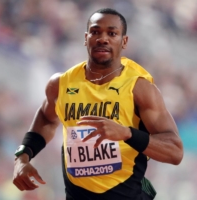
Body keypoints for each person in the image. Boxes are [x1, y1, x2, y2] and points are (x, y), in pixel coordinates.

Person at [13, 8, 183, 200]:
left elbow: (175, 151)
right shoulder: (61, 84)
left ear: (124, 41)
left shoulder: (139, 88)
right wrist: (23, 156)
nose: (103, 38)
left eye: (112, 33)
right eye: (95, 32)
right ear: (86, 38)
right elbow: (46, 118)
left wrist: (127, 134)